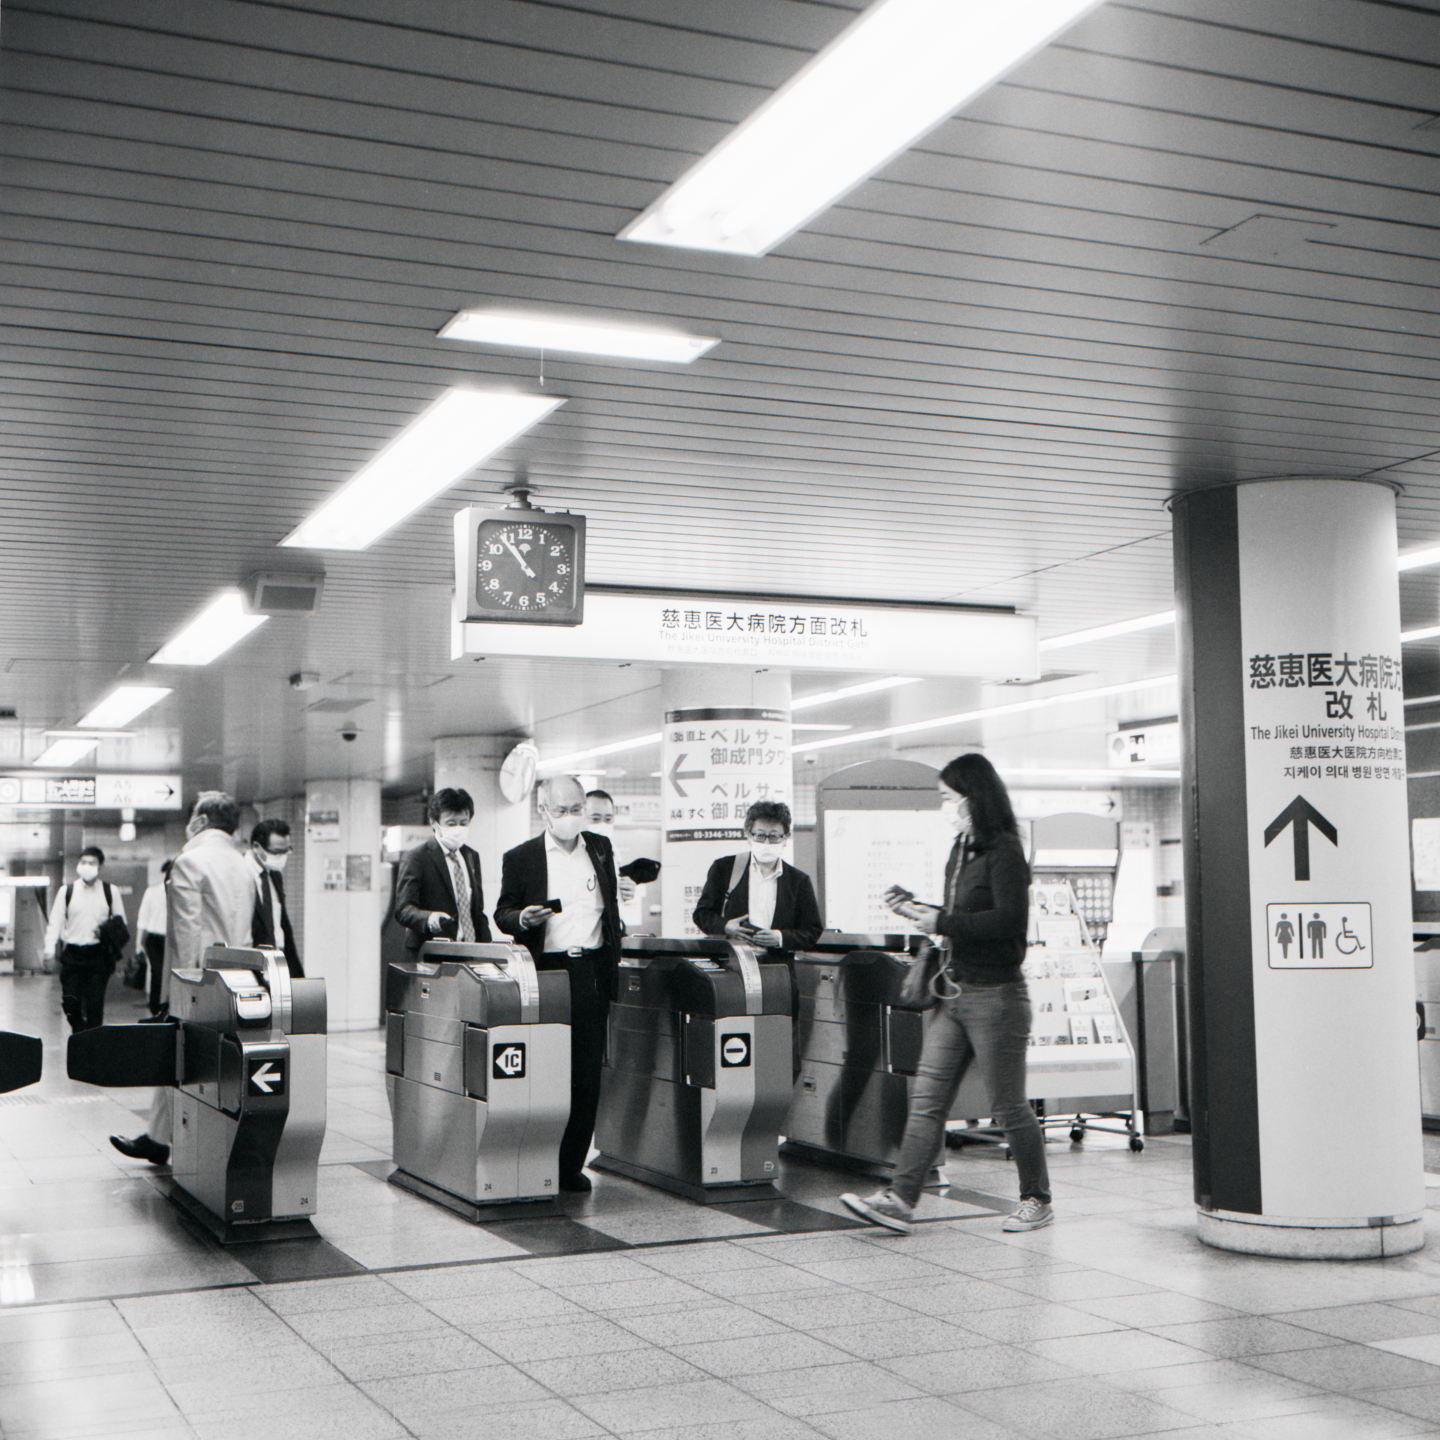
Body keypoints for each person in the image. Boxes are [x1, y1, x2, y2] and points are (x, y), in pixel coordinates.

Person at [841, 753, 1052, 1236]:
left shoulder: (1005, 852)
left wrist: (944, 921)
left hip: (997, 996)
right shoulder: (960, 850)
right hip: (952, 995)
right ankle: (900, 1198)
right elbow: (959, 915)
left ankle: (1036, 1198)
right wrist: (919, 910)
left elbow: (1009, 923)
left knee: (1008, 1106)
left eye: (947, 799)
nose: (944, 808)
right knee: (927, 1099)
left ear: (973, 798)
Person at [111, 791, 255, 1166]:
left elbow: (186, 934)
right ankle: (160, 1138)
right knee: (209, 1062)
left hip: (199, 981)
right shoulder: (243, 865)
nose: (190, 820)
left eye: (193, 814)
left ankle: (167, 1141)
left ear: (203, 820)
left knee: (180, 1058)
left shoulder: (190, 862)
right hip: (237, 978)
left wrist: (180, 992)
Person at [495, 774, 622, 1193]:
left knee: (587, 1073)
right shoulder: (522, 857)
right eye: (562, 810)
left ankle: (570, 1165)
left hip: (590, 971)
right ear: (543, 811)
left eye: (576, 809)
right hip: (546, 970)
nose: (571, 818)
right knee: (547, 1068)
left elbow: (610, 906)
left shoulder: (600, 849)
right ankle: (534, 1155)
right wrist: (521, 920)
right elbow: (503, 912)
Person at [692, 799, 823, 952]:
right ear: (748, 835)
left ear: (786, 838)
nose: (766, 843)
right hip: (732, 964)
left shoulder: (798, 881)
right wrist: (725, 926)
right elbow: (702, 914)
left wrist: (780, 938)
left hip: (777, 967)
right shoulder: (725, 868)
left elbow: (812, 930)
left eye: (774, 836)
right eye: (760, 836)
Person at [44, 846, 129, 1032]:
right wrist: (49, 951)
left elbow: (121, 924)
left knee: (94, 1007)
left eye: (92, 863)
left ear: (100, 866)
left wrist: (105, 932)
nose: (87, 866)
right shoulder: (67, 891)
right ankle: (81, 1033)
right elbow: (55, 923)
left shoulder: (110, 891)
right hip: (73, 956)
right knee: (70, 1005)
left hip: (98, 957)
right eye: (83, 862)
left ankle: (90, 1050)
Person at [394, 788, 491, 950]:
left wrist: (488, 948)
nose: (458, 829)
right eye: (451, 824)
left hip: (472, 950)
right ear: (434, 822)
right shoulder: (416, 858)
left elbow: (477, 909)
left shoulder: (471, 856)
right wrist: (430, 918)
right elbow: (403, 909)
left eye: (463, 823)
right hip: (433, 952)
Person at [249, 818, 302, 976]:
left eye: (286, 851)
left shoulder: (275, 875)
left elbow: (281, 922)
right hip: (253, 965)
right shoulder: (241, 874)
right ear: (256, 847)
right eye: (277, 852)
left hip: (278, 961)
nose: (282, 857)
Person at [137, 860, 172, 1016]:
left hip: (172, 940)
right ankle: (155, 1007)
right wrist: (139, 943)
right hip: (154, 939)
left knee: (171, 974)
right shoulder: (152, 892)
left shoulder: (178, 893)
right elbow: (142, 918)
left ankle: (168, 1007)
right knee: (157, 973)